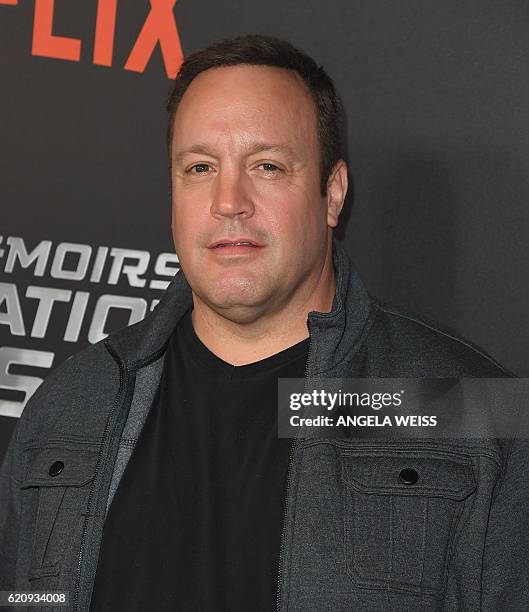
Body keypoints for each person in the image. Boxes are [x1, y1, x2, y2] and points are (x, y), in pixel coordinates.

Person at [0, 34, 527, 612]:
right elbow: (26, 597)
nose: (229, 200)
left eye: (268, 166)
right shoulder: (71, 404)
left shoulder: (469, 407)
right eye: (199, 167)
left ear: (333, 194)